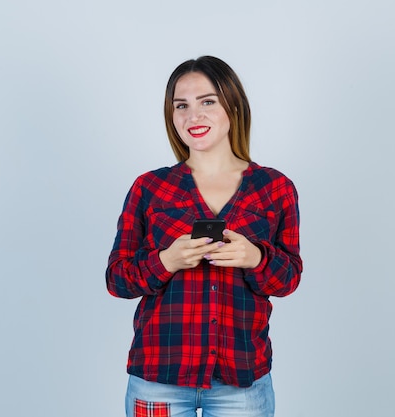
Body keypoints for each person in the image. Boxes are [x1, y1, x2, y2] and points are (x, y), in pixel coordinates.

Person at [105, 56, 303, 417]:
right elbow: (117, 279)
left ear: (232, 105)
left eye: (207, 102)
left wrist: (255, 258)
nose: (192, 116)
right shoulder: (150, 188)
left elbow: (289, 278)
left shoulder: (275, 188)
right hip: (158, 379)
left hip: (241, 382)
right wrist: (166, 261)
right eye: (181, 106)